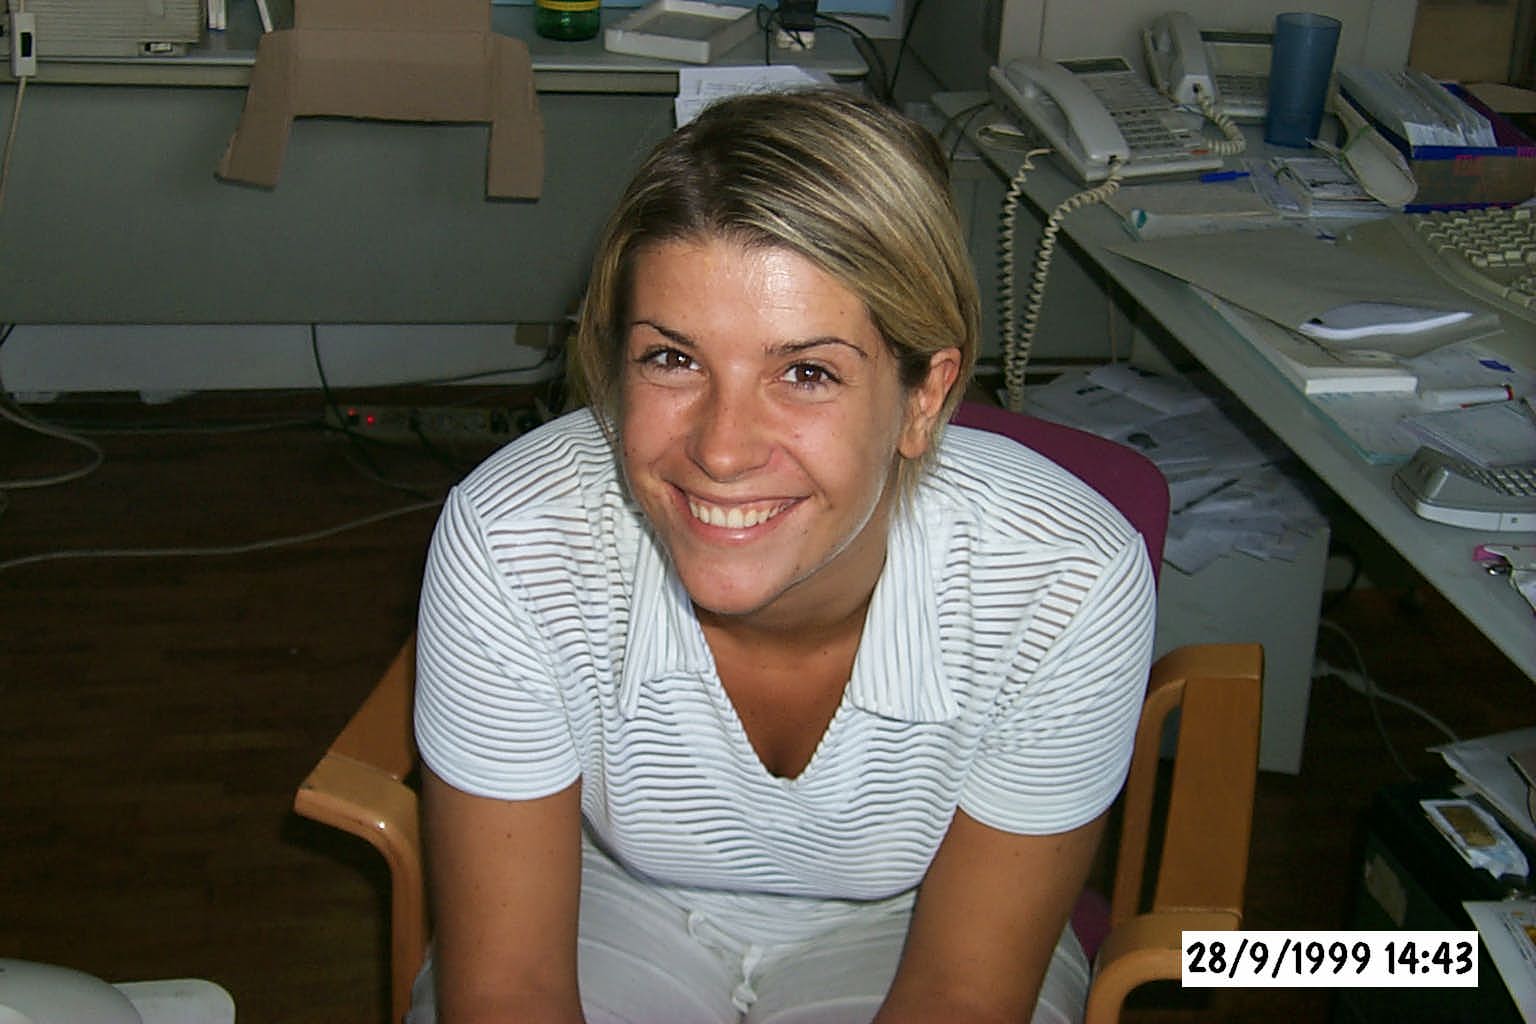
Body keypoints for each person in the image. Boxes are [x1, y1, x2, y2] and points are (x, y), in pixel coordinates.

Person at [409, 88, 1155, 1024]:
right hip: (603, 890)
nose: (722, 451)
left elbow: (962, 992)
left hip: (921, 914)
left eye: (806, 373)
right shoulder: (515, 536)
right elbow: (510, 988)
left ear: (924, 396)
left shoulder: (1066, 579)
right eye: (672, 359)